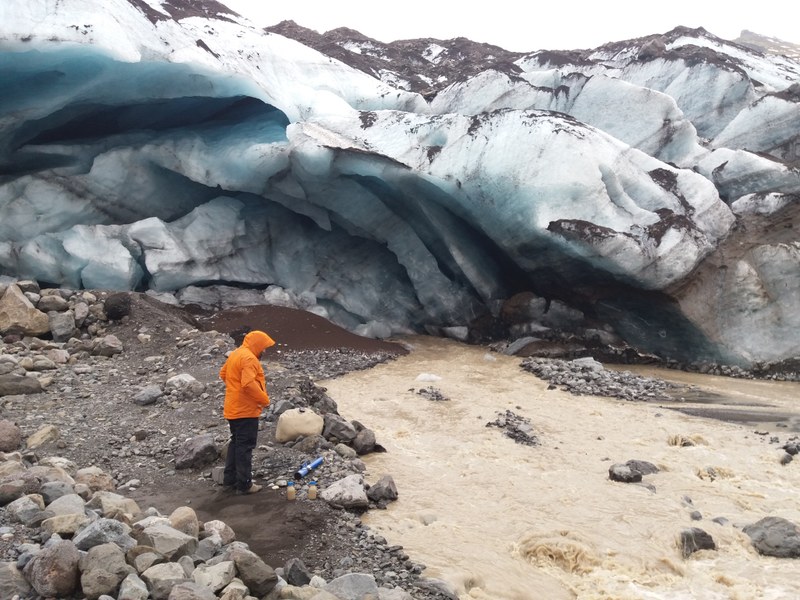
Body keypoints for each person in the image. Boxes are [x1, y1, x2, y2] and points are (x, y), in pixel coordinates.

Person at [219, 329, 275, 494]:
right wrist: (264, 400)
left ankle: (229, 481)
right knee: (245, 447)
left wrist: (234, 388)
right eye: (263, 347)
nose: (264, 350)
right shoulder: (250, 358)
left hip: (233, 408)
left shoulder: (236, 354)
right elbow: (248, 383)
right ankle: (244, 485)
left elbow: (223, 374)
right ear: (257, 345)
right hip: (245, 411)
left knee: (236, 443)